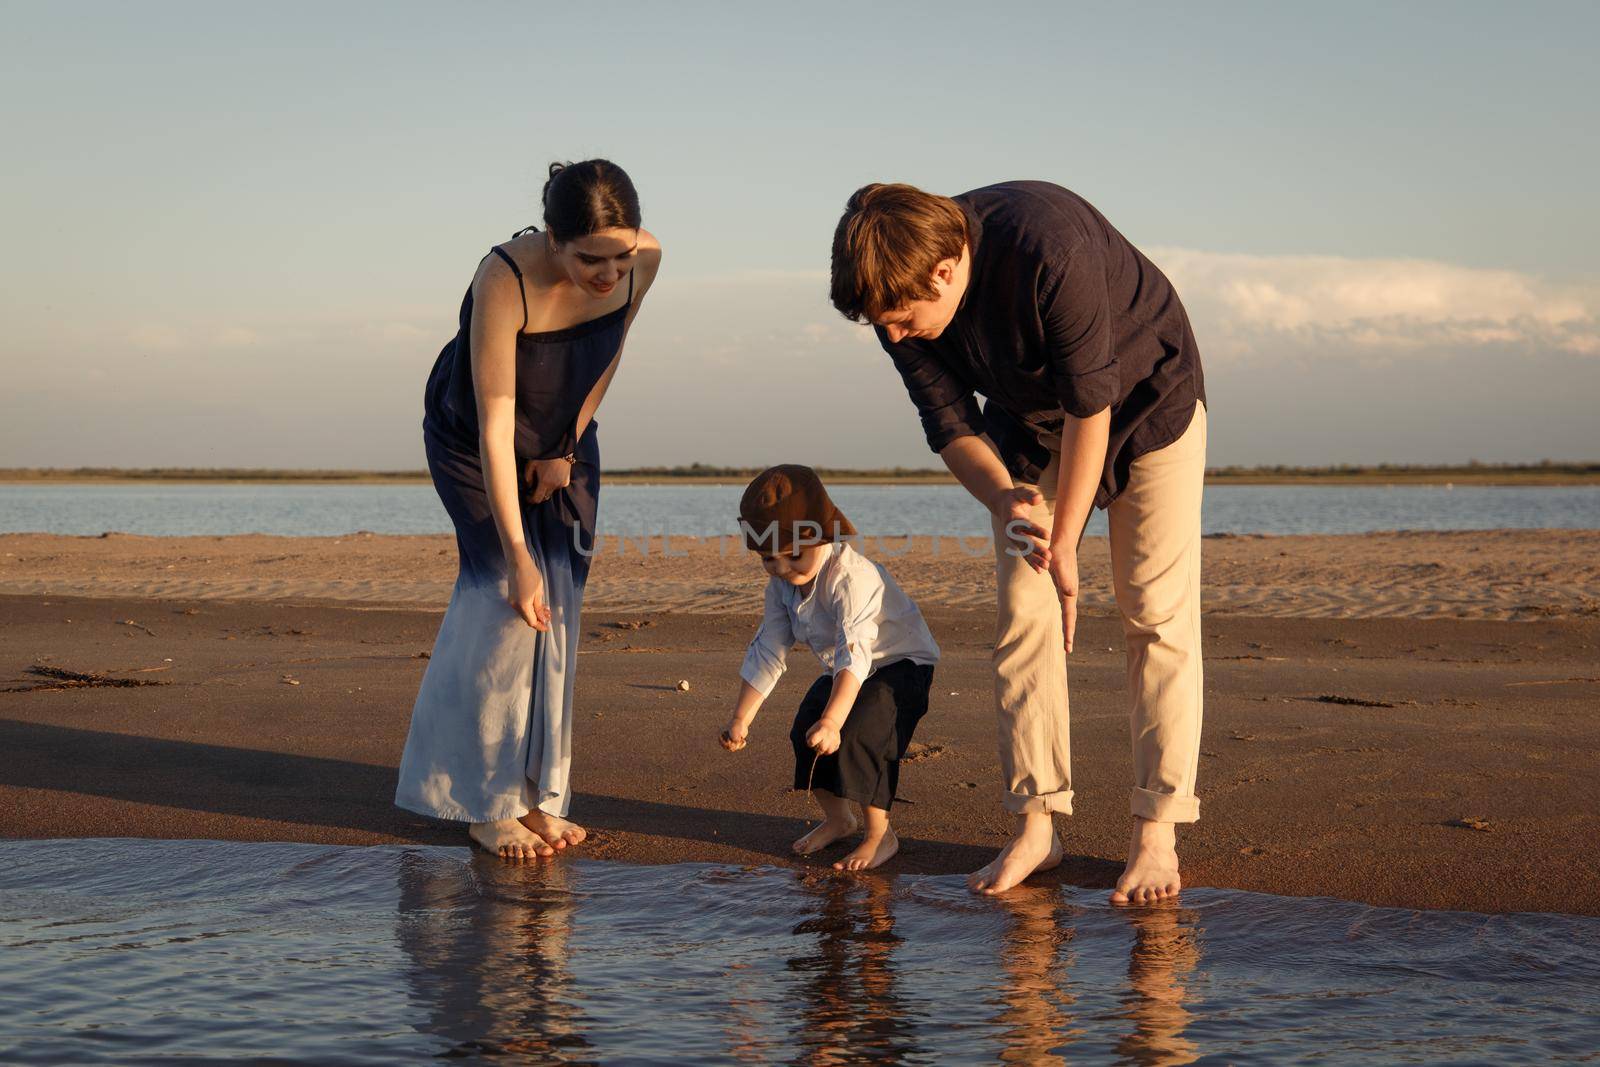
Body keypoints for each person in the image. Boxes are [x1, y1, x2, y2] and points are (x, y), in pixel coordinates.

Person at [830, 181, 1207, 901]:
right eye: (886, 325)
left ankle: (1157, 831)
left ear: (945, 270)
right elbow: (952, 428)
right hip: (1029, 429)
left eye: (905, 320)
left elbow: (1091, 407)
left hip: (1148, 400)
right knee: (1022, 613)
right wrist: (1007, 497)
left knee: (1154, 616)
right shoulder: (894, 298)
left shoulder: (1046, 247)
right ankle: (1038, 827)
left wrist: (1066, 541)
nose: (896, 335)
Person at [396, 159, 662, 860]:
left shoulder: (647, 258)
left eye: (621, 257)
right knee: (506, 611)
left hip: (564, 439)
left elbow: (610, 356)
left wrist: (567, 446)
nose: (609, 275)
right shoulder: (504, 278)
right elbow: (493, 419)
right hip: (474, 445)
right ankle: (485, 803)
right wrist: (516, 554)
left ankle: (540, 796)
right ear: (553, 238)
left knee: (558, 614)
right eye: (590, 259)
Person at [718, 465, 940, 872]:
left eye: (793, 555)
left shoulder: (851, 578)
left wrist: (835, 721)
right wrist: (741, 718)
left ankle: (880, 835)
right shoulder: (780, 587)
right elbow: (769, 647)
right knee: (805, 728)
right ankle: (840, 820)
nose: (783, 568)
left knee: (860, 735)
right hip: (842, 667)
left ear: (821, 535)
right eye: (769, 559)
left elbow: (856, 649)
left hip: (900, 663)